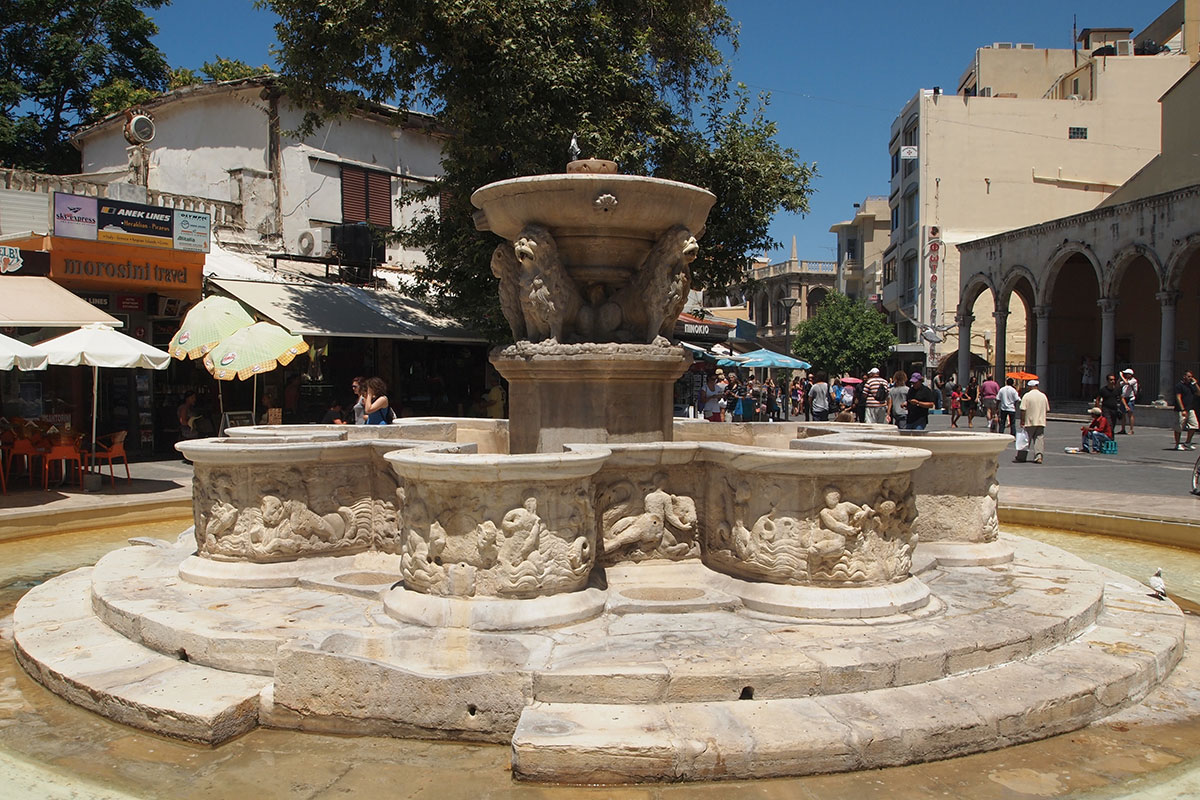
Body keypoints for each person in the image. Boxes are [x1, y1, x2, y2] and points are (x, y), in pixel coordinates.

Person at [1015, 378, 1049, 464]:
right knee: (1039, 439)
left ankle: (1021, 457)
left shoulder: (1027, 396)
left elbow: (1023, 409)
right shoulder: (1043, 396)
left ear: (1030, 387)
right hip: (1040, 421)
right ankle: (1039, 456)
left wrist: (1022, 421)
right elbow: (1047, 409)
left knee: (1025, 439)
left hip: (1029, 421)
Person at [1173, 370, 1199, 451]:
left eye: (1191, 376)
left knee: (1194, 425)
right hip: (1181, 410)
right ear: (1184, 376)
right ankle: (1177, 444)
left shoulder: (1191, 386)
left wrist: (1195, 384)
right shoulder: (1179, 386)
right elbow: (1178, 397)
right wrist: (1182, 409)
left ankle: (1187, 442)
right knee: (1179, 427)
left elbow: (1199, 393)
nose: (1190, 378)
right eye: (1188, 376)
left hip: (1190, 409)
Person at [1119, 368, 1138, 434]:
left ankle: (1131, 429)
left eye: (1127, 374)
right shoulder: (1124, 380)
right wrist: (1120, 378)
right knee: (1123, 414)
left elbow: (1127, 383)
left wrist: (1121, 376)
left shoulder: (1134, 380)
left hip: (1130, 398)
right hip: (1124, 398)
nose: (1125, 375)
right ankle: (1123, 429)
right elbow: (1119, 384)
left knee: (1130, 414)